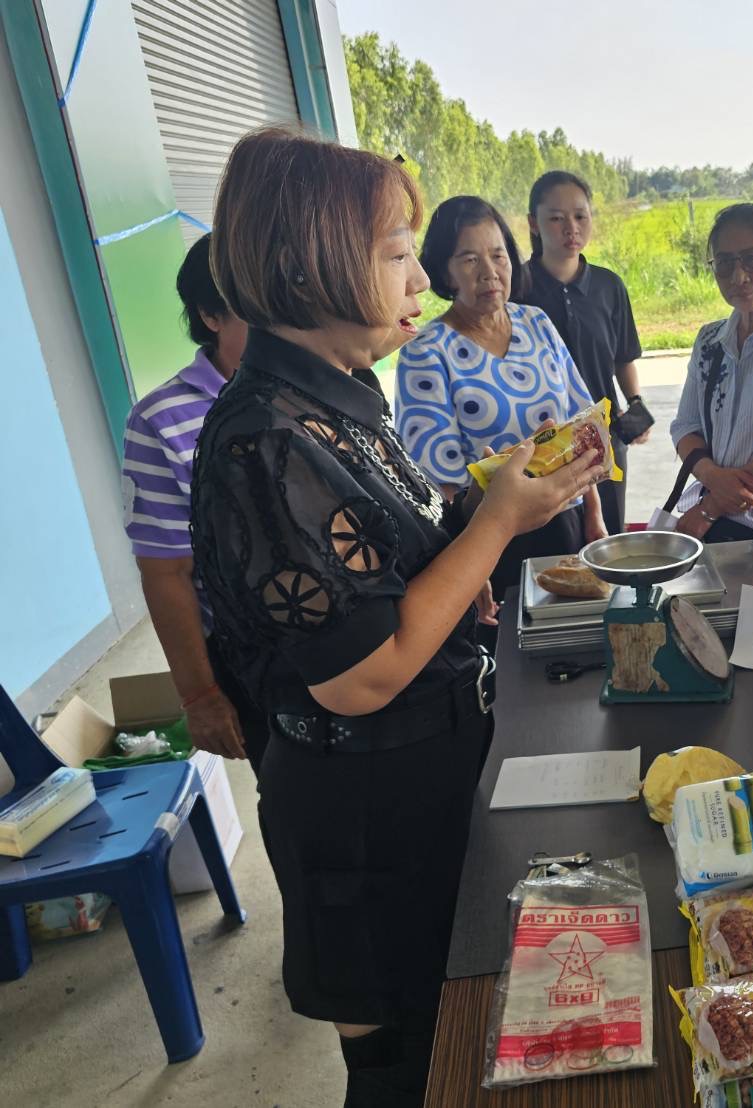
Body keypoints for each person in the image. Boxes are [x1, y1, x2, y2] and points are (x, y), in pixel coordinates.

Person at [191, 129, 603, 1106]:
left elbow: (390, 557)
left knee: (465, 1014)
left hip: (428, 763)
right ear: (307, 267)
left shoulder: (338, 399)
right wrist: (501, 517)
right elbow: (361, 669)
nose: (424, 275)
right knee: (412, 1061)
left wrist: (472, 533)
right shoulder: (266, 440)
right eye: (395, 253)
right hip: (364, 806)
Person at [395, 195, 605, 611]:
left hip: (567, 520)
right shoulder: (426, 351)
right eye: (470, 259)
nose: (490, 272)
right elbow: (437, 481)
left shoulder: (537, 322)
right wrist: (466, 565)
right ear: (444, 271)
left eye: (498, 254)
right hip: (490, 535)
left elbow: (582, 425)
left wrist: (593, 514)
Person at [122, 234, 264, 769]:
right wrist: (200, 696)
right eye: (255, 306)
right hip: (249, 660)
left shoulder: (317, 386)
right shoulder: (161, 420)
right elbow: (167, 573)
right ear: (211, 315)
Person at [666, 202, 753, 557]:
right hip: (711, 528)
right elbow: (685, 426)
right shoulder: (710, 340)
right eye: (724, 263)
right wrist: (713, 478)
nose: (738, 276)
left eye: (752, 259)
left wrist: (712, 506)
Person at [518, 170, 644, 535]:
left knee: (607, 540)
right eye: (556, 218)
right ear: (534, 223)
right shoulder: (516, 289)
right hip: (542, 442)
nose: (570, 227)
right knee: (555, 539)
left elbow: (623, 355)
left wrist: (634, 402)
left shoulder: (608, 286)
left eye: (580, 216)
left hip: (602, 439)